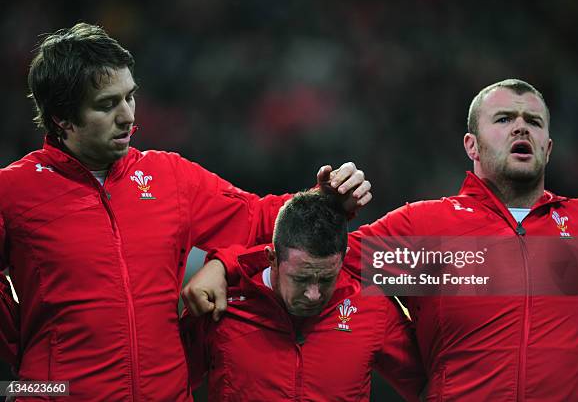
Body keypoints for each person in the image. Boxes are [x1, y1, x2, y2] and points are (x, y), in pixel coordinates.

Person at [0, 23, 372, 401]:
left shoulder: (169, 177)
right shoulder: (13, 191)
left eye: (130, 97)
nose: (127, 116)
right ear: (62, 118)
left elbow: (261, 219)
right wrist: (35, 362)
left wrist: (327, 196)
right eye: (107, 105)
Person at [197, 79, 578, 401]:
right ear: (472, 144)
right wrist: (225, 266)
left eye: (533, 121)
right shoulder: (425, 230)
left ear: (548, 147)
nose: (521, 125)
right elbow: (318, 255)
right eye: (503, 119)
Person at [181, 191, 425, 401]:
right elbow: (165, 386)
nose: (313, 294)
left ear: (344, 257)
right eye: (301, 279)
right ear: (271, 258)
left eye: (327, 279)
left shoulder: (372, 309)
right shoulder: (221, 308)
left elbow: (428, 388)